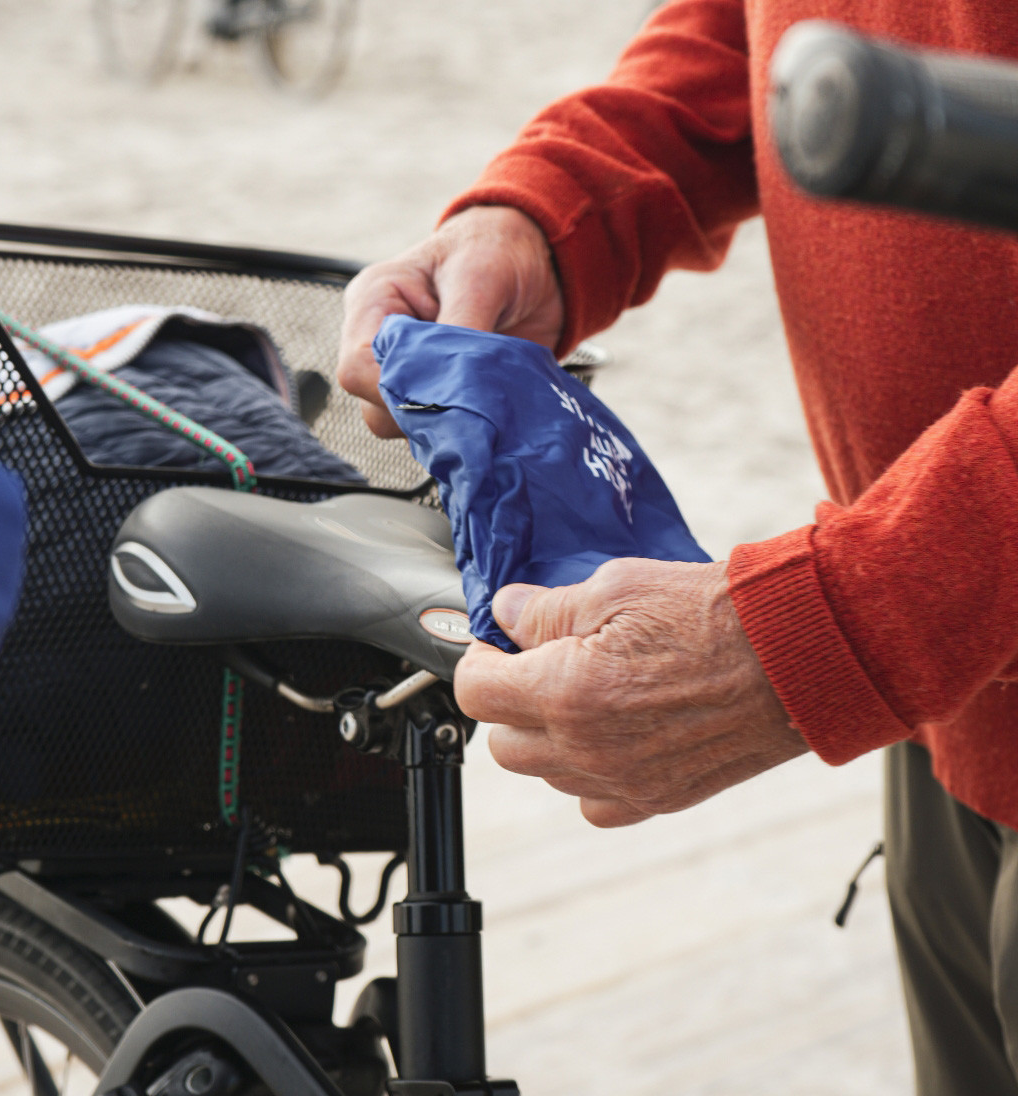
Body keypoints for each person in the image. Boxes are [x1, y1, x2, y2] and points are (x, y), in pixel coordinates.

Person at [336, 2, 1018, 1093]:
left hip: (924, 619)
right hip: (949, 706)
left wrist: (837, 627)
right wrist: (550, 211)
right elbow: (763, 30)